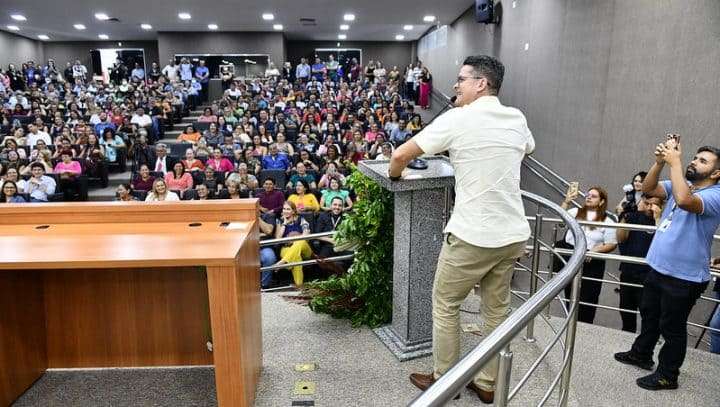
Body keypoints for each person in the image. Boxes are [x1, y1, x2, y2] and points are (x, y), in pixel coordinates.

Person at [391, 55, 535, 403]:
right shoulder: (517, 117)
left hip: (473, 234)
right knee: (496, 311)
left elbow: (399, 156)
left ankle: (445, 381)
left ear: (481, 84)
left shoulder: (458, 118)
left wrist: (397, 177)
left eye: (461, 79)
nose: (455, 86)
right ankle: (487, 383)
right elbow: (525, 151)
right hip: (513, 233)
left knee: (445, 303)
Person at [615, 140, 720, 391]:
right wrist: (661, 161)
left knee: (672, 327)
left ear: (717, 173)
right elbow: (648, 189)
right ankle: (641, 354)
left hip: (684, 276)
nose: (694, 161)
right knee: (649, 314)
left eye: (702, 160)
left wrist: (675, 161)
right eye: (694, 157)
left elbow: (684, 201)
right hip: (659, 266)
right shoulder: (681, 185)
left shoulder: (715, 194)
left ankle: (667, 375)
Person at [557, 185, 618, 324]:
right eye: (587, 195)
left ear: (602, 201)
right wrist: (566, 202)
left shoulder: (607, 221)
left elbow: (611, 244)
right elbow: (560, 223)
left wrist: (596, 250)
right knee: (569, 293)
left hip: (591, 262)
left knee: (588, 297)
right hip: (571, 257)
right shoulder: (574, 211)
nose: (589, 197)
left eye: (594, 196)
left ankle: (584, 327)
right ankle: (570, 323)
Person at [616, 194, 665, 333]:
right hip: (628, 270)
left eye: (654, 204)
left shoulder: (664, 221)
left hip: (649, 274)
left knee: (648, 311)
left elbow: (662, 242)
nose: (650, 207)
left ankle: (645, 340)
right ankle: (626, 335)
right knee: (625, 309)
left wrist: (657, 219)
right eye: (648, 203)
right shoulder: (635, 216)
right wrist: (624, 217)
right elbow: (621, 238)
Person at [271, 201, 313, 287]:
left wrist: (294, 239)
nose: (285, 211)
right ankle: (299, 286)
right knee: (296, 258)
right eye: (284, 209)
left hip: (304, 248)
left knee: (299, 241)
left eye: (288, 209)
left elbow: (306, 234)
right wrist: (284, 224)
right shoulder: (280, 221)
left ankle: (282, 262)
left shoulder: (301, 219)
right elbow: (277, 239)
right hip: (286, 248)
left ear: (293, 211)